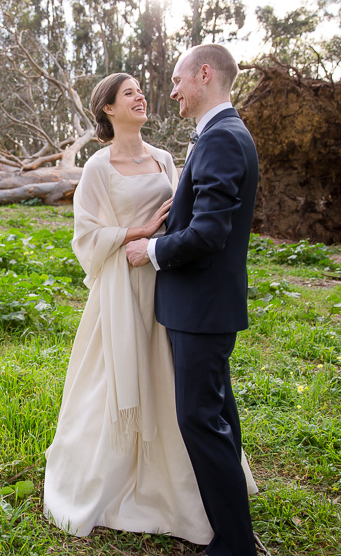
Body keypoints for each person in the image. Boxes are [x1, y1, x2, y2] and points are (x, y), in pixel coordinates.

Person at [43, 73, 255, 544]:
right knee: (113, 380)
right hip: (121, 284)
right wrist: (134, 234)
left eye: (140, 90)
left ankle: (181, 488)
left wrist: (160, 246)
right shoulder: (98, 167)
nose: (140, 97)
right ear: (108, 111)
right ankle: (109, 477)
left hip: (166, 283)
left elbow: (186, 218)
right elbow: (85, 236)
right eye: (128, 94)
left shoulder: (164, 158)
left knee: (170, 381)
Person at [126, 44, 260, 556]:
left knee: (200, 420)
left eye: (180, 80)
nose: (174, 91)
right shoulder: (223, 134)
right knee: (217, 413)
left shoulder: (222, 138)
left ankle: (232, 543)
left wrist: (151, 249)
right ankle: (233, 526)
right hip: (205, 307)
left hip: (201, 308)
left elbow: (209, 234)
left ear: (205, 75)